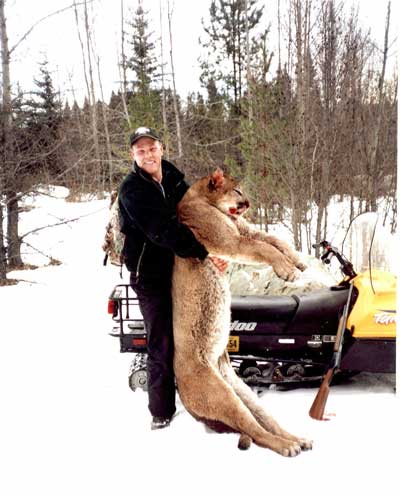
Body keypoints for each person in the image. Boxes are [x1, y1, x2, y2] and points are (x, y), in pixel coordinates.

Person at [118, 126, 227, 430]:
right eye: (141, 150)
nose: (148, 154)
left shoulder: (174, 178)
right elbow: (162, 230)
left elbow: (197, 212)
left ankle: (206, 393)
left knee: (193, 335)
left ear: (162, 148)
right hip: (150, 276)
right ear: (133, 155)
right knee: (162, 341)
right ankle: (161, 410)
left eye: (152, 148)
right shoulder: (132, 189)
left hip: (180, 268)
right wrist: (204, 253)